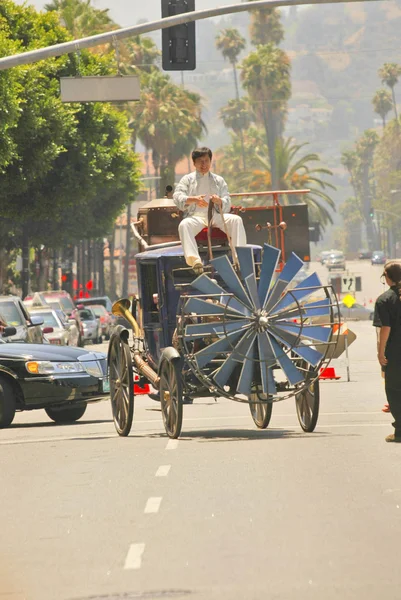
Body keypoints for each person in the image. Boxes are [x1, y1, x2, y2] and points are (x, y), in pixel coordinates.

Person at [173, 146, 247, 274]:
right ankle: (195, 261)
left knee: (236, 220)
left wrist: (220, 201)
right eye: (200, 161)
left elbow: (227, 201)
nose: (204, 164)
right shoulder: (187, 180)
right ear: (194, 163)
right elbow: (177, 197)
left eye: (206, 160)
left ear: (210, 161)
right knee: (184, 225)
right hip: (196, 216)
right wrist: (194, 199)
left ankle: (239, 260)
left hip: (215, 215)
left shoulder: (219, 180)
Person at [373, 260, 401, 442]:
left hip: (395, 353)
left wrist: (380, 352)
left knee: (395, 391)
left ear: (388, 278)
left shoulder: (384, 300)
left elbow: (385, 329)